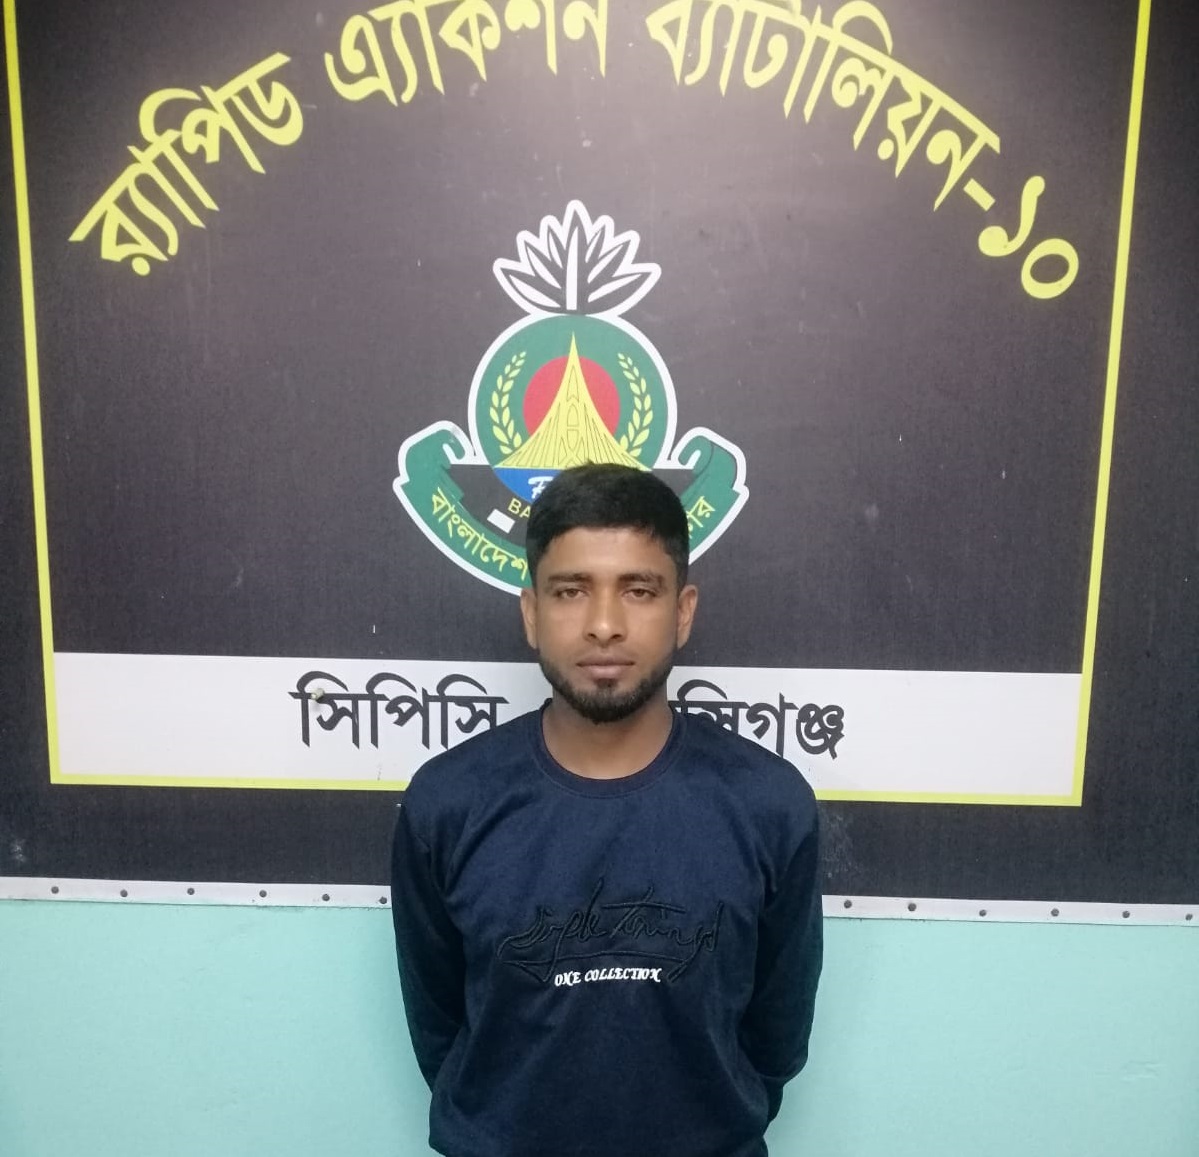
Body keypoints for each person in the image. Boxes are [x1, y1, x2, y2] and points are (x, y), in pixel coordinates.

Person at [391, 463, 823, 1157]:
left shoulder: (768, 803)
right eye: (571, 591)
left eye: (638, 590)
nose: (603, 625)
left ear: (682, 611)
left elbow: (777, 1034)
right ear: (531, 613)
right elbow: (439, 1024)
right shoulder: (447, 803)